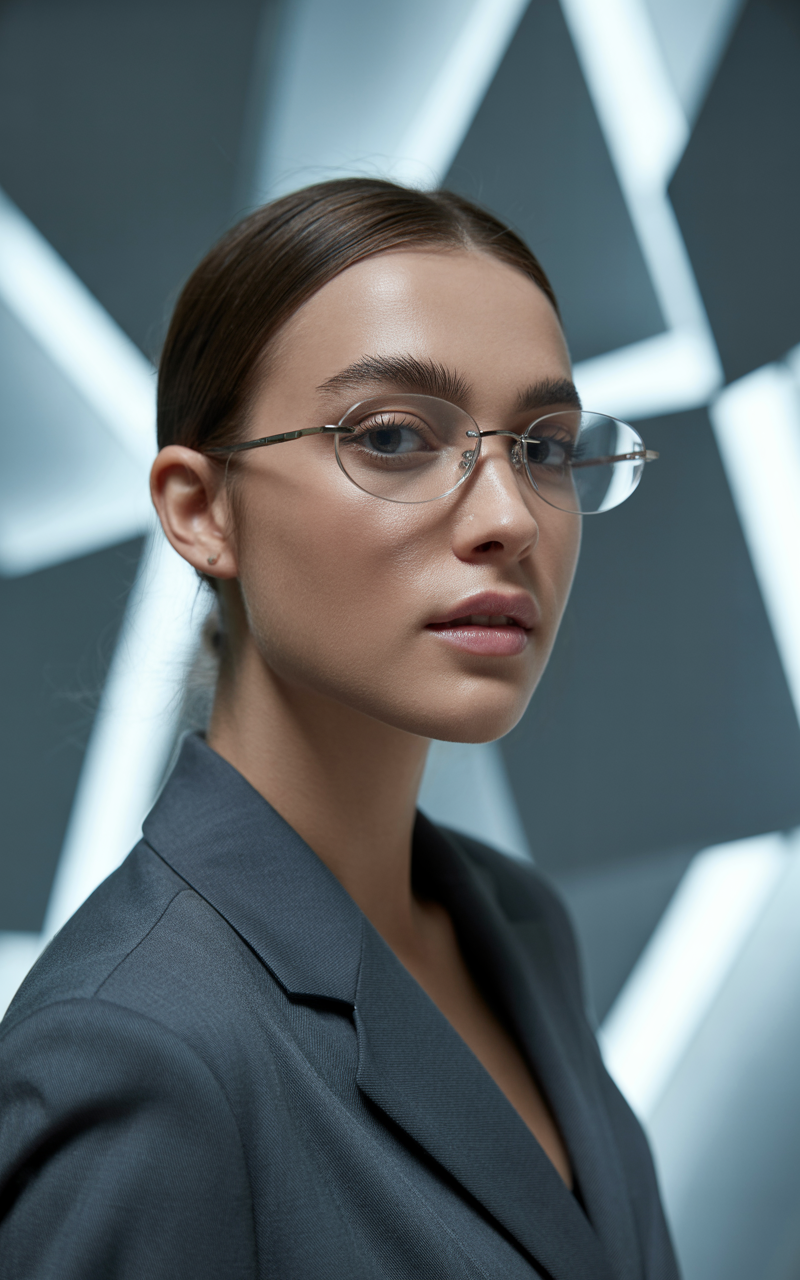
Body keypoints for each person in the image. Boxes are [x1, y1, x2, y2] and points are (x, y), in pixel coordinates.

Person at [0, 179, 675, 1279]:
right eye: (397, 434)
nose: (509, 517)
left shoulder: (514, 922)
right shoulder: (131, 1048)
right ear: (201, 508)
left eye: (545, 448)